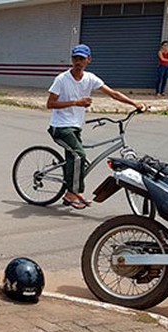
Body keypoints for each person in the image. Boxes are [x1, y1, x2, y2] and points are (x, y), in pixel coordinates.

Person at [46, 44, 145, 210]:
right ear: (72, 60)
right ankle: (72, 194)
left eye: (82, 59)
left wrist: (135, 103)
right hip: (60, 128)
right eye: (75, 58)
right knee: (79, 154)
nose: (78, 62)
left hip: (75, 127)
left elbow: (113, 93)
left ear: (88, 60)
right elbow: (50, 104)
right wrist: (76, 102)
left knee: (78, 160)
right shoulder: (62, 79)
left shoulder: (90, 78)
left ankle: (71, 188)